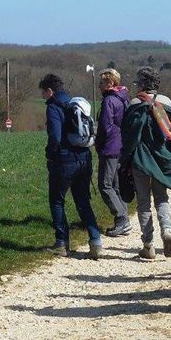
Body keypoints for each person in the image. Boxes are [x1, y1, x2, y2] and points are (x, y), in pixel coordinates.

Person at [120, 66, 171, 261]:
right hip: (163, 159)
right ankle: (166, 231)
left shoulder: (134, 103)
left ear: (141, 84)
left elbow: (129, 137)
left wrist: (125, 160)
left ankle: (148, 245)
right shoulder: (166, 102)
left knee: (143, 202)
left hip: (141, 160)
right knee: (162, 198)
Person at [39, 73, 102, 258]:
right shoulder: (75, 103)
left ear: (50, 91)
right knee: (83, 201)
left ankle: (61, 243)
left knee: (57, 201)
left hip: (64, 161)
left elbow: (56, 137)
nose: (43, 96)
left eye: (44, 93)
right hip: (84, 158)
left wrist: (50, 154)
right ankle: (96, 241)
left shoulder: (53, 107)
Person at [94, 68, 132, 237]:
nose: (99, 86)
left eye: (101, 83)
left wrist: (98, 143)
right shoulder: (123, 98)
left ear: (110, 83)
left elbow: (104, 127)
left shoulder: (109, 100)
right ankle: (124, 221)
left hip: (110, 147)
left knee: (105, 185)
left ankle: (122, 218)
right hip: (121, 146)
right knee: (116, 186)